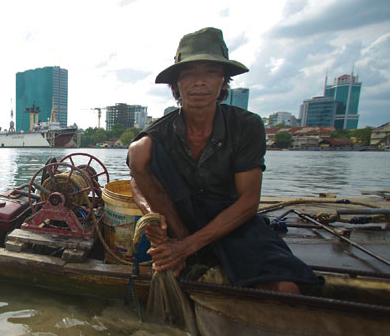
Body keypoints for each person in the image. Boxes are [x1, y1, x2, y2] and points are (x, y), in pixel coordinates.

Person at [126, 27, 320, 293]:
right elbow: (137, 183)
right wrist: (153, 220)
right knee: (138, 151)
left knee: (286, 287)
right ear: (177, 85)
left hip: (230, 220)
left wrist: (187, 247)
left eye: (211, 72)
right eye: (189, 74)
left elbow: (249, 201)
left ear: (223, 82)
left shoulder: (246, 126)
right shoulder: (158, 135)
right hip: (179, 218)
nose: (199, 82)